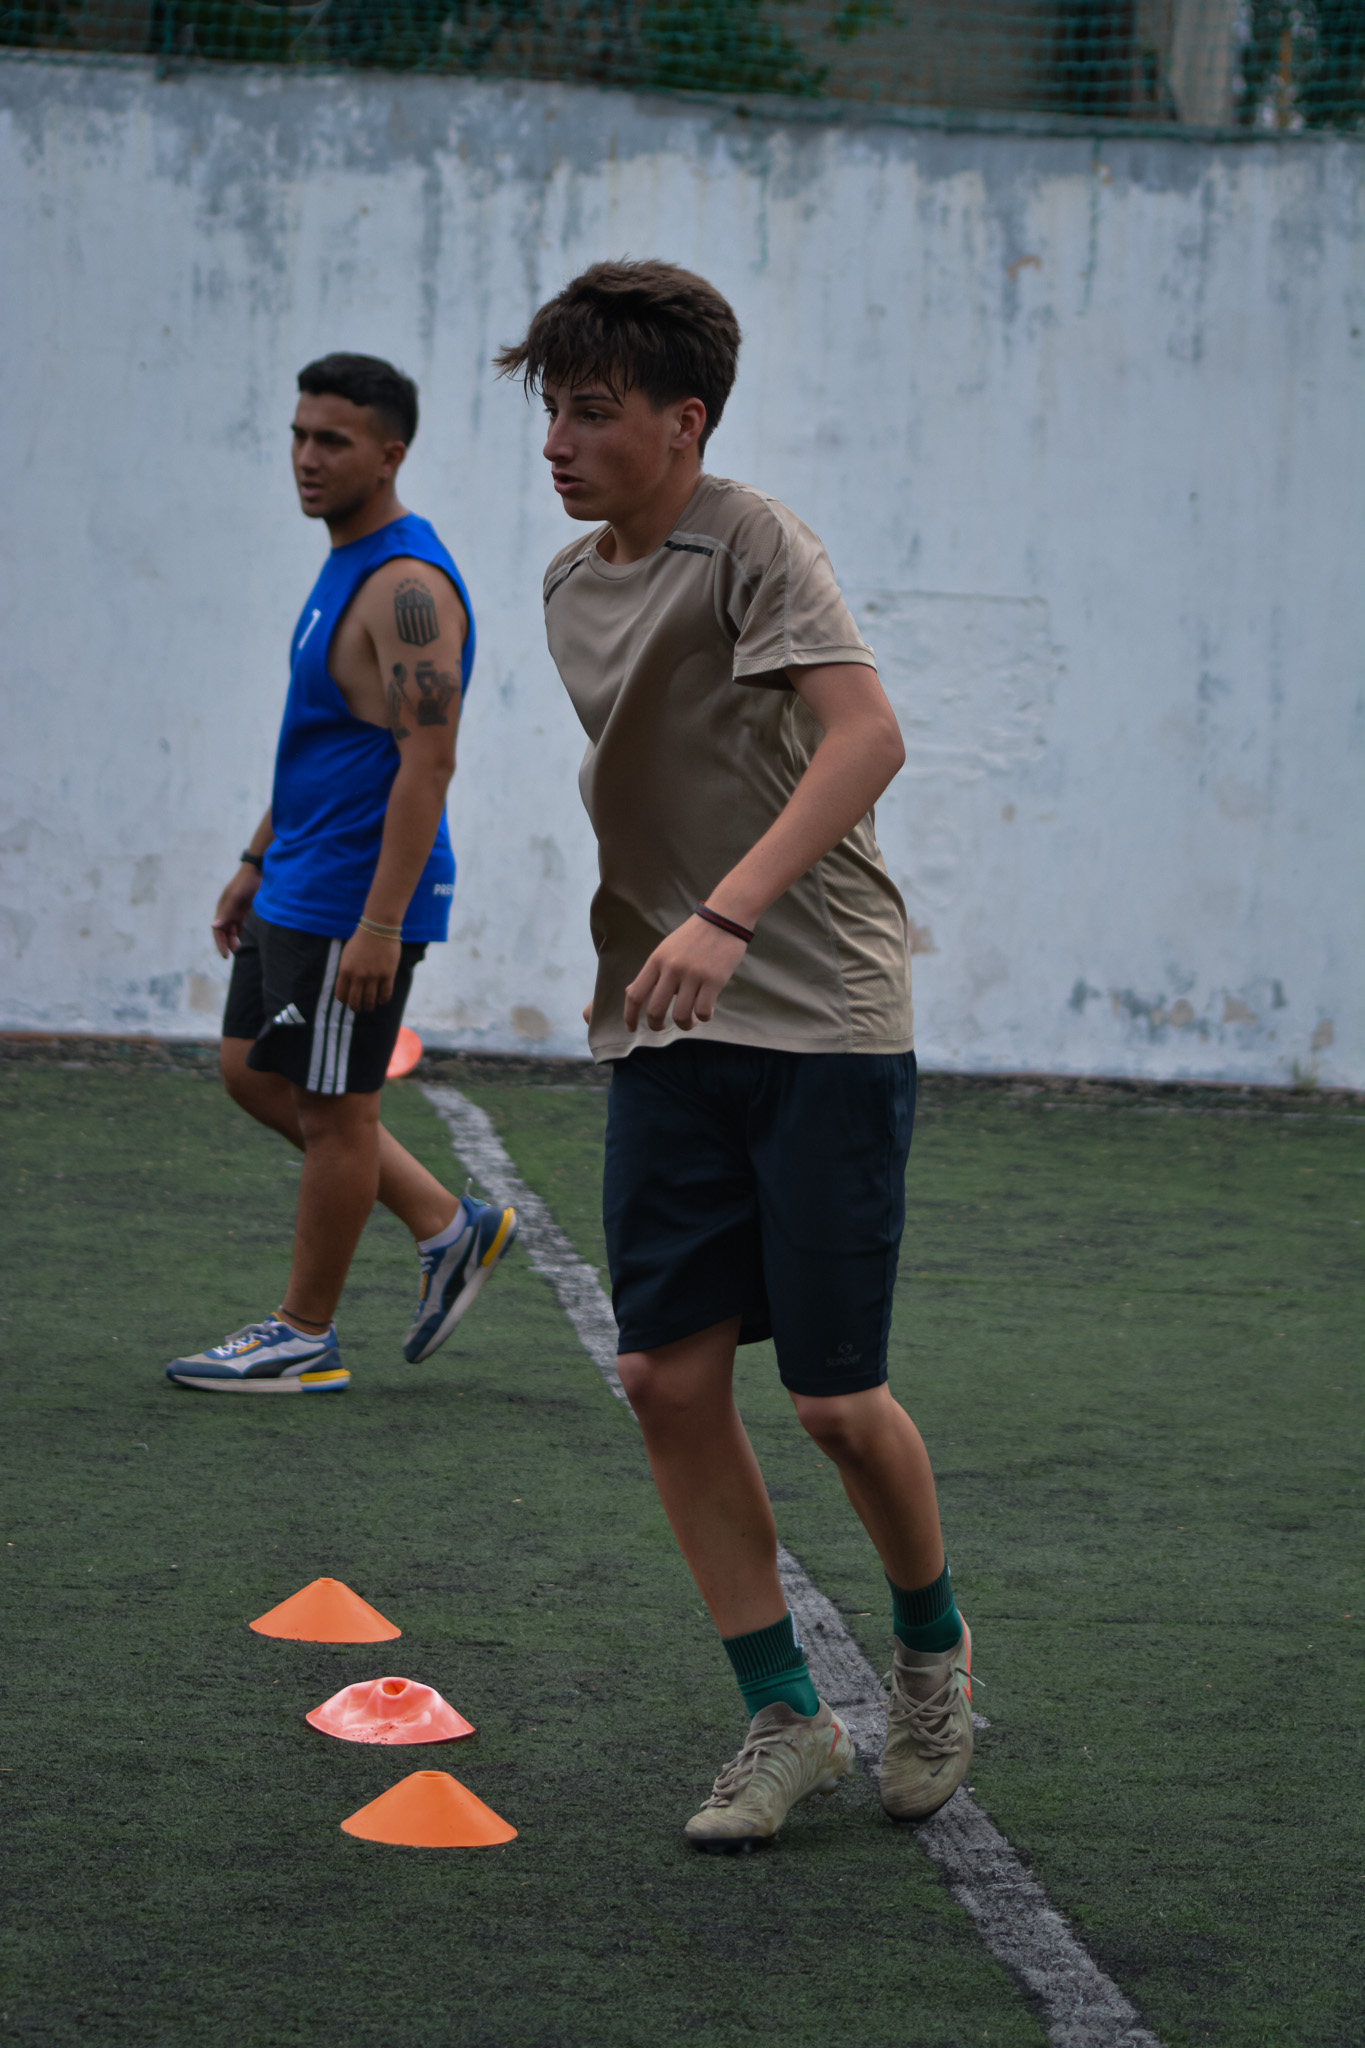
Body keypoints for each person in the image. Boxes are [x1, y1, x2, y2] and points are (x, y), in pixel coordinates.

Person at [496, 262, 971, 1849]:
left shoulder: (751, 539)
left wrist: (727, 912)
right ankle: (784, 1713)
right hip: (665, 1025)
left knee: (837, 1403)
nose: (557, 440)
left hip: (820, 1013)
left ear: (683, 423)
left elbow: (867, 736)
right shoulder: (569, 584)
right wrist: (662, 948)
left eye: (594, 410)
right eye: (548, 407)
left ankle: (928, 1654)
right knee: (661, 1376)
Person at [166, 353, 515, 1394]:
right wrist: (253, 855)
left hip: (353, 899)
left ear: (389, 453)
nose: (308, 459)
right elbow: (324, 737)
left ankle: (303, 1334)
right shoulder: (343, 565)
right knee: (251, 1070)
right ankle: (447, 1225)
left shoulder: (409, 588)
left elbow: (429, 760)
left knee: (335, 1110)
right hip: (298, 877)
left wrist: (380, 921)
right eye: (300, 435)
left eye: (334, 441)